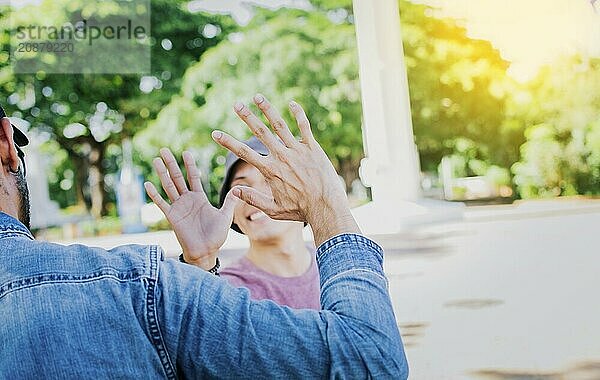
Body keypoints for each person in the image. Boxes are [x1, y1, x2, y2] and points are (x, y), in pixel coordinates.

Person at [0, 98, 408, 378]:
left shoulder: (172, 288)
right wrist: (327, 204)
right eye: (242, 184)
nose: (257, 198)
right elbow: (369, 359)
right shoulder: (145, 287)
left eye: (268, 181)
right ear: (7, 144)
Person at [148, 130, 320, 309]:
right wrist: (202, 263)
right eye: (241, 186)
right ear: (232, 216)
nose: (255, 194)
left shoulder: (338, 264)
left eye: (271, 179)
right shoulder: (227, 287)